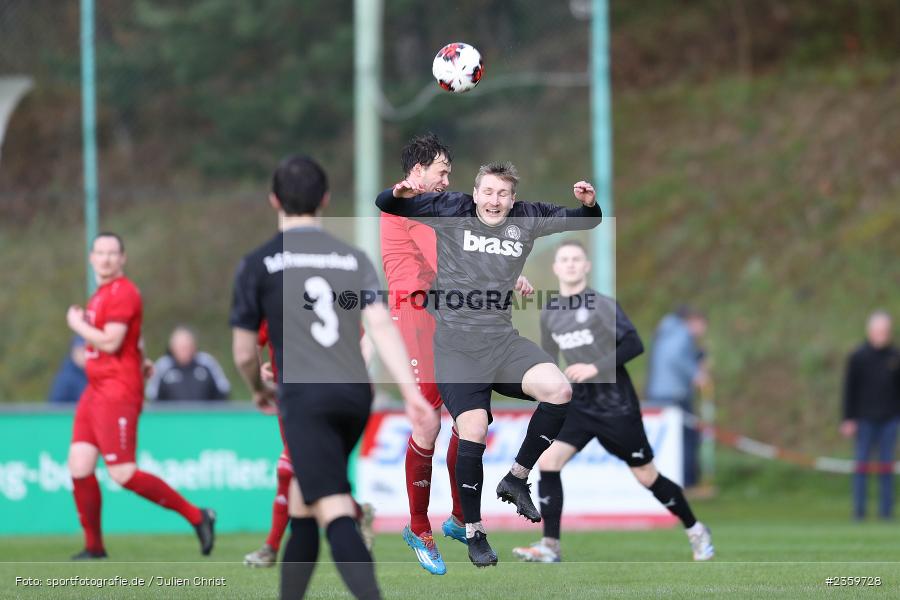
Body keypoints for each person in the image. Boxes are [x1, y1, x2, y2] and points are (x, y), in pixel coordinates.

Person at [376, 162, 600, 567]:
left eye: (503, 194)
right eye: (488, 192)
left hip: (501, 343)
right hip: (456, 349)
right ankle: (474, 532)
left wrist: (588, 204)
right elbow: (388, 204)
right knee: (473, 428)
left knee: (559, 389)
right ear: (475, 193)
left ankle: (516, 478)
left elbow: (588, 221)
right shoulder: (451, 208)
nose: (495, 201)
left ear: (512, 199)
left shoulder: (527, 218)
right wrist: (400, 193)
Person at [230, 155, 431, 599]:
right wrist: (410, 392)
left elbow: (245, 352)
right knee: (304, 504)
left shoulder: (259, 263)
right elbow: (380, 326)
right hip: (354, 394)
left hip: (306, 397)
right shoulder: (351, 257)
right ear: (325, 200)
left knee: (336, 506)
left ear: (273, 200)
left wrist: (258, 388)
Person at [382, 134, 535, 574]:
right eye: (442, 171)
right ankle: (417, 525)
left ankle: (460, 516)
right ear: (418, 172)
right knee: (428, 421)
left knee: (471, 417)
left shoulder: (435, 207)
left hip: (447, 317)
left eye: (450, 172)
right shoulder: (408, 204)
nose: (448, 180)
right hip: (415, 319)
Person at [511, 240, 714, 563]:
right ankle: (551, 546)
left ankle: (696, 529)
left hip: (616, 406)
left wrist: (594, 366)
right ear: (556, 268)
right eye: (565, 259)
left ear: (586, 266)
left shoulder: (601, 305)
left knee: (646, 475)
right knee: (549, 462)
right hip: (579, 405)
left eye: (577, 259)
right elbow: (550, 359)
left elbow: (634, 343)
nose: (571, 264)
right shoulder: (551, 312)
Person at [66, 232, 215, 560]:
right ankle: (94, 547)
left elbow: (110, 342)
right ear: (91, 258)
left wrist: (76, 324)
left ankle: (197, 516)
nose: (105, 259)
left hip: (116, 392)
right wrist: (143, 359)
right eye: (99, 253)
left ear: (123, 259)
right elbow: (134, 335)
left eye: (112, 253)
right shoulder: (101, 294)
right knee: (79, 465)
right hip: (95, 390)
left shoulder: (124, 292)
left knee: (122, 473)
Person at [242, 320, 375, 568]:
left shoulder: (325, 293)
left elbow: (363, 339)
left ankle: (271, 547)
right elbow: (248, 348)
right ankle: (356, 512)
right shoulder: (272, 299)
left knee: (287, 469)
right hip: (286, 401)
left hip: (319, 401)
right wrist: (260, 375)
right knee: (309, 477)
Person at [841, 311, 900, 520]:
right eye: (878, 331)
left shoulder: (895, 356)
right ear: (870, 331)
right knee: (862, 466)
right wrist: (848, 418)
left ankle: (886, 512)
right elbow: (849, 389)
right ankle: (859, 511)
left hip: (890, 420)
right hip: (864, 420)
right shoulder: (858, 356)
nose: (881, 335)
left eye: (885, 331)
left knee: (886, 467)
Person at [645, 305, 709, 488]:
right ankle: (687, 481)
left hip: (659, 393)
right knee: (688, 437)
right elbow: (675, 358)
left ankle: (667, 479)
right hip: (674, 395)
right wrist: (696, 374)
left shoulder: (667, 332)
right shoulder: (680, 333)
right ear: (694, 320)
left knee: (668, 439)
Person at [145, 325, 231, 401]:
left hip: (204, 417)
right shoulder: (162, 366)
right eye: (181, 347)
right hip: (172, 418)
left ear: (194, 346)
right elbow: (152, 395)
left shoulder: (207, 362)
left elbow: (223, 390)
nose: (184, 350)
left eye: (187, 346)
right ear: (172, 347)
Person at [48, 336, 88, 404]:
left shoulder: (99, 373)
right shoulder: (65, 377)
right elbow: (55, 406)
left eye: (86, 350)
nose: (83, 355)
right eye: (80, 351)